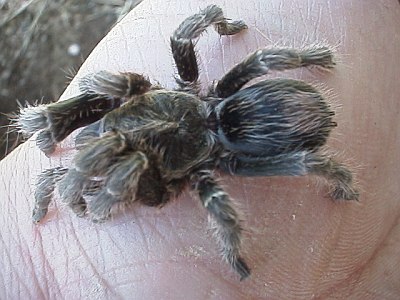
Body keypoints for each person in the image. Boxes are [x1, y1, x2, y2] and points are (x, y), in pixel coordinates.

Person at [1, 0, 399, 298]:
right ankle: (317, 61)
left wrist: (232, 249)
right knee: (234, 55)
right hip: (224, 106)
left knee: (303, 160)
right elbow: (191, 29)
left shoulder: (184, 171)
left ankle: (336, 164)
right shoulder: (153, 93)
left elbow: (218, 207)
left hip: (244, 135)